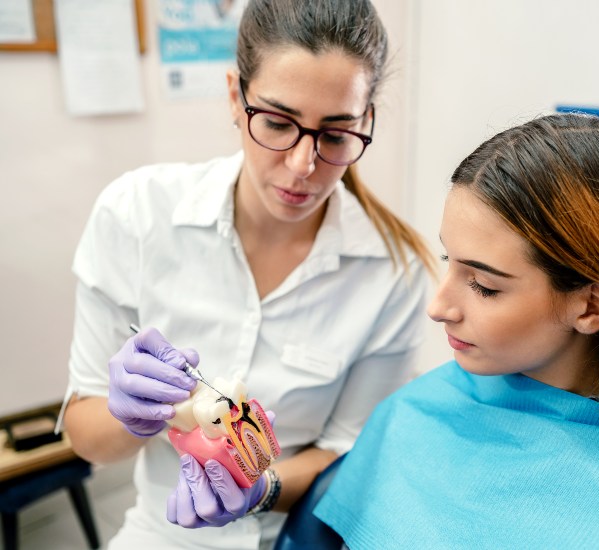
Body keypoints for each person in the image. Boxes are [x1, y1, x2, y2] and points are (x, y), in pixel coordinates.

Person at [60, 1, 435, 548]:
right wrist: (128, 416)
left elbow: (348, 456)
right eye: (279, 123)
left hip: (295, 535)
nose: (303, 166)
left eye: (335, 135)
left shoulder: (394, 273)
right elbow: (85, 438)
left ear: (367, 121)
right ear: (236, 97)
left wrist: (260, 489)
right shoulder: (135, 215)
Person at [314, 113, 599, 549]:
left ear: (591, 305)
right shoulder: (417, 411)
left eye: (484, 286)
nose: (439, 308)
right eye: (448, 262)